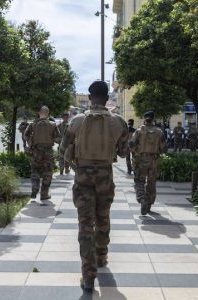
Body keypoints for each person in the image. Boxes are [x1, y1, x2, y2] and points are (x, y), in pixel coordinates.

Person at [60, 80, 129, 293]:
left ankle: (88, 275)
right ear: (107, 99)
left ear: (90, 98)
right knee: (103, 218)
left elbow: (63, 148)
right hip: (105, 177)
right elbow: (124, 153)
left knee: (84, 223)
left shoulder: (76, 121)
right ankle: (101, 257)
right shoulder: (119, 122)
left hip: (83, 176)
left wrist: (74, 160)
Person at [129, 111, 167, 215]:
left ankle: (142, 199)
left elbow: (131, 145)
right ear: (153, 119)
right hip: (154, 160)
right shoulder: (159, 132)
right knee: (151, 183)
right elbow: (164, 148)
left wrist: (136, 152)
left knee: (139, 181)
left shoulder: (139, 131)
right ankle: (149, 205)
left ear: (144, 118)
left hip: (141, 160)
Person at [24, 106, 60, 200]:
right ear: (48, 113)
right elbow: (58, 139)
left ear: (39, 112)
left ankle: (35, 188)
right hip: (48, 152)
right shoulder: (53, 124)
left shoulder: (32, 124)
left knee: (35, 170)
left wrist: (30, 142)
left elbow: (26, 135)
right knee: (47, 172)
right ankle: (44, 194)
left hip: (36, 151)